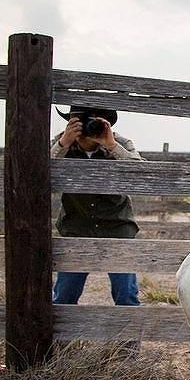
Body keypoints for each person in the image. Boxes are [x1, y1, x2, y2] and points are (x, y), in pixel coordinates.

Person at [51, 105, 144, 307]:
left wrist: (111, 146)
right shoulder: (62, 143)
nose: (87, 128)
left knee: (126, 294)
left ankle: (128, 339)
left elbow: (141, 175)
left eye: (92, 122)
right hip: (76, 228)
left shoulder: (118, 142)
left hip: (117, 227)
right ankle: (59, 339)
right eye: (81, 122)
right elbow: (38, 172)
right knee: (64, 295)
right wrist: (62, 143)